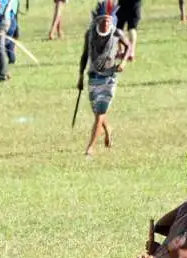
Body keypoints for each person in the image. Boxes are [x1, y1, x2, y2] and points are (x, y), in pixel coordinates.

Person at [77, 0, 132, 157]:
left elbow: (128, 47)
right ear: (98, 20)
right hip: (93, 77)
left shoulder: (117, 33)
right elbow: (84, 55)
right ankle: (108, 129)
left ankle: (90, 148)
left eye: (108, 20)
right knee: (98, 113)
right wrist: (80, 77)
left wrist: (123, 62)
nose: (106, 23)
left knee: (100, 112)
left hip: (109, 78)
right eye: (103, 20)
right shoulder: (90, 34)